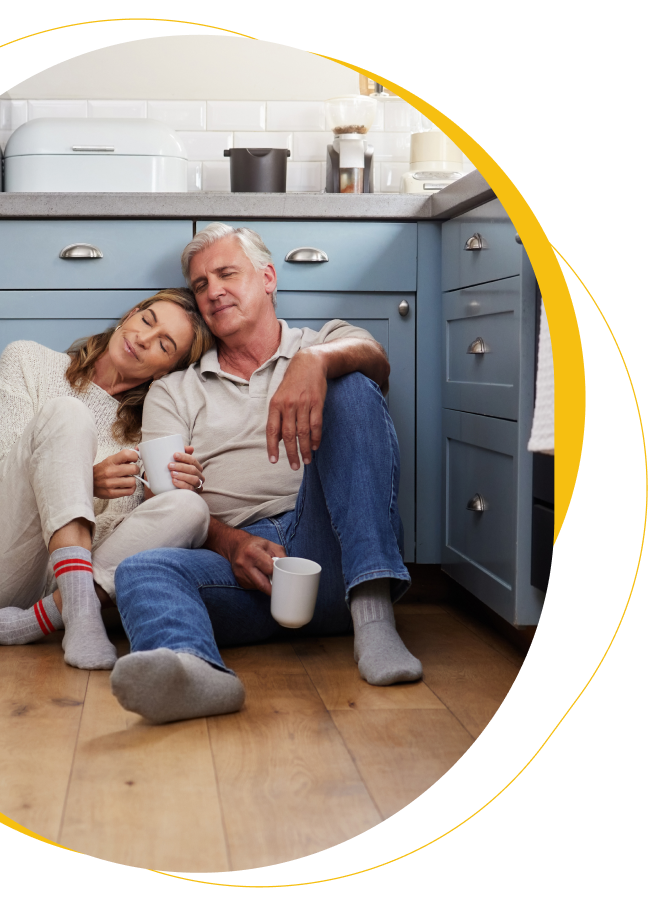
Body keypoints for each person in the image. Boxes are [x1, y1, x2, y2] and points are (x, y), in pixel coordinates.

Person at [109, 224, 423, 723]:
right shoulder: (174, 390)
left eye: (226, 273)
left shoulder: (320, 341)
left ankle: (373, 617)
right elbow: (163, 500)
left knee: (354, 385)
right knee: (139, 570)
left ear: (268, 277)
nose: (213, 291)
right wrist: (230, 544)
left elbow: (378, 361)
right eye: (200, 284)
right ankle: (195, 671)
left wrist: (314, 362)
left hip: (333, 551)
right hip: (243, 568)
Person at [0, 289, 215, 671]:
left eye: (164, 344)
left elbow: (124, 538)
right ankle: (69, 615)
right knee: (68, 414)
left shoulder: (150, 428)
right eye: (147, 320)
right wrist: (86, 481)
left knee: (191, 509)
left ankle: (30, 623)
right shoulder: (29, 361)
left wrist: (167, 488)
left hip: (69, 591)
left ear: (165, 371)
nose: (143, 339)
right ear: (130, 314)